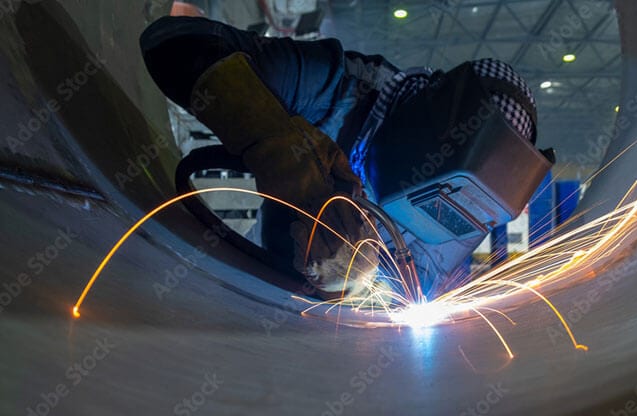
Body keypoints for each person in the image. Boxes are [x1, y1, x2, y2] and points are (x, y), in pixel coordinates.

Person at [140, 15, 546, 300]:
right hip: (263, 277)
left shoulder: (475, 210)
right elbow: (174, 43)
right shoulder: (339, 89)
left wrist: (350, 293)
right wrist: (283, 152)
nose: (450, 218)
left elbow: (422, 296)